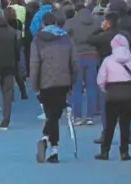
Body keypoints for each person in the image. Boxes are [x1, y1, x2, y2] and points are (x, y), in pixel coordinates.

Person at [31, 12, 78, 164]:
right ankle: (53, 149)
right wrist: (72, 81)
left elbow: (35, 64)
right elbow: (74, 63)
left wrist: (35, 85)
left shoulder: (38, 40)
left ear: (43, 23)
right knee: (55, 115)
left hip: (45, 81)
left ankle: (48, 140)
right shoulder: (66, 38)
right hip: (63, 81)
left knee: (51, 114)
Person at [95, 34, 131, 161]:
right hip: (129, 94)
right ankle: (124, 152)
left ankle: (105, 151)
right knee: (126, 123)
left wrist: (105, 89)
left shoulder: (108, 60)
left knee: (110, 124)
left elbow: (101, 79)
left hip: (112, 94)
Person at [63, 0, 102, 125]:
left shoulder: (71, 22)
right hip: (92, 56)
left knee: (77, 88)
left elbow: (63, 37)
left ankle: (77, 116)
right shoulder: (96, 22)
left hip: (77, 57)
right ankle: (90, 116)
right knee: (92, 86)